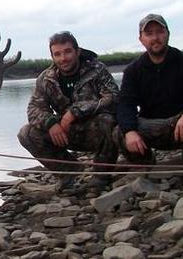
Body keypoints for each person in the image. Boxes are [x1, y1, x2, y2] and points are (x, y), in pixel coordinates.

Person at [18, 31, 120, 190]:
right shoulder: (46, 78)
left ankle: (102, 175)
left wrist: (76, 111)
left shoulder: (97, 69)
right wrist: (50, 122)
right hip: (66, 133)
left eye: (67, 52)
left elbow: (113, 98)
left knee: (108, 121)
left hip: (98, 131)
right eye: (57, 54)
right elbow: (34, 108)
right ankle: (68, 172)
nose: (63, 58)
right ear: (52, 56)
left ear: (77, 51)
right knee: (26, 133)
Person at [115, 13, 183, 164]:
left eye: (160, 32)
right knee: (119, 130)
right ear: (141, 39)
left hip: (182, 124)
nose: (155, 38)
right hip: (151, 127)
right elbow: (125, 104)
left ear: (168, 34)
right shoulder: (133, 70)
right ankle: (145, 163)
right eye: (149, 34)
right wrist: (130, 131)